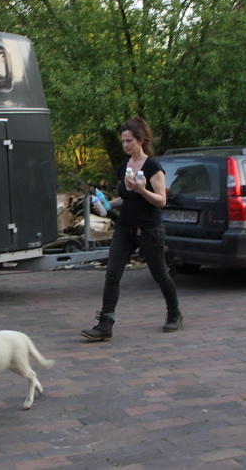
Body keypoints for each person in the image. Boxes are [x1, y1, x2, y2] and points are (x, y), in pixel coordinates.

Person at [81, 117, 183, 341]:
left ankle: (174, 313)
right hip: (124, 228)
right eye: (123, 141)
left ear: (140, 140)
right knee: (112, 274)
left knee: (160, 274)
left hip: (149, 229)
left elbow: (161, 200)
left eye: (129, 141)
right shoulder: (123, 168)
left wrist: (142, 190)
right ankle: (105, 324)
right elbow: (125, 198)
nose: (125, 145)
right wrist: (107, 204)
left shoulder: (153, 167)